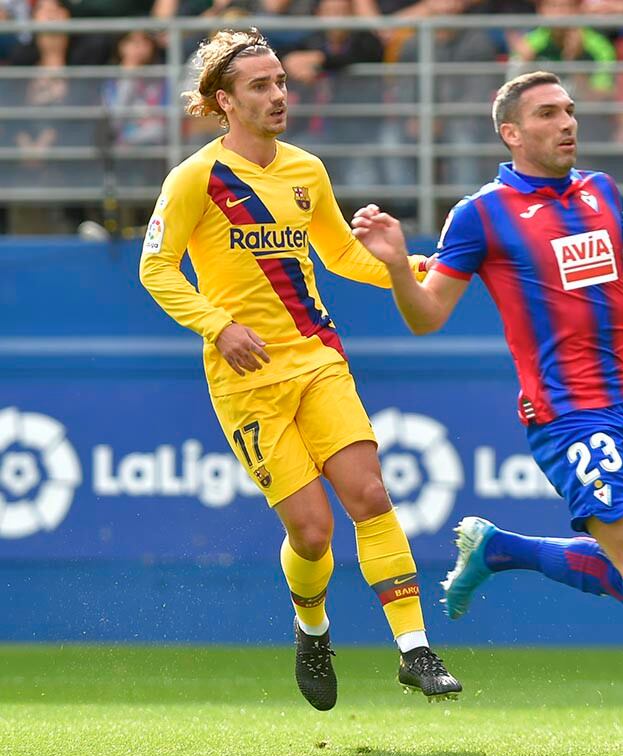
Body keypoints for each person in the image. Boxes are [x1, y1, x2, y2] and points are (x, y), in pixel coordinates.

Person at [348, 71, 623, 756]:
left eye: (570, 111)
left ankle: (500, 549)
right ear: (512, 133)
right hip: (567, 414)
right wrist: (401, 266)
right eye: (548, 114)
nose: (567, 123)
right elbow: (427, 315)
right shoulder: (482, 214)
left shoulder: (600, 189)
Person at [138, 28, 461, 712]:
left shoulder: (307, 170)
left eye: (281, 81)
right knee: (312, 533)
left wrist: (410, 266)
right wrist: (218, 326)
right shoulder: (195, 177)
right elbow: (156, 268)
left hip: (316, 356)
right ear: (224, 101)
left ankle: (415, 651)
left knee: (369, 493)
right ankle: (311, 630)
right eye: (261, 85)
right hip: (246, 377)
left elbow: (340, 255)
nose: (279, 94)